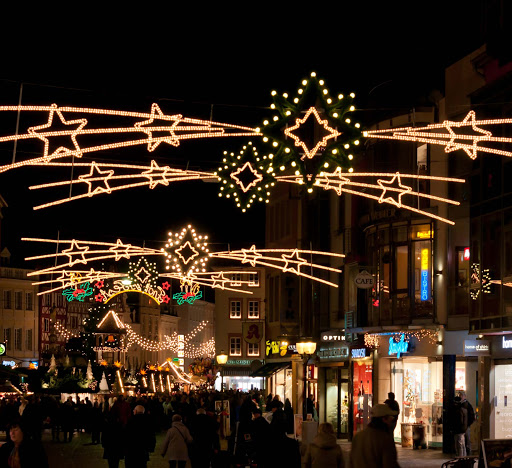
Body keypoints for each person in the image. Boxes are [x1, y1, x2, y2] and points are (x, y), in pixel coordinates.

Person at [350, 403, 399, 468]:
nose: (391, 421)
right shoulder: (385, 439)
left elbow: (351, 462)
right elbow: (389, 463)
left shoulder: (358, 437)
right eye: (390, 418)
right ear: (384, 419)